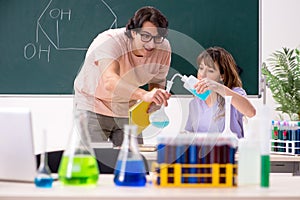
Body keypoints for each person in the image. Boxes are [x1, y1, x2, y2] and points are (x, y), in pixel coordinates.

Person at [74, 6, 171, 146]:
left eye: (157, 38)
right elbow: (109, 80)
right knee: (96, 161)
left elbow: (157, 80)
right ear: (133, 32)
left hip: (127, 108)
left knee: (134, 159)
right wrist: (144, 95)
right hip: (93, 104)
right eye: (145, 36)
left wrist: (155, 99)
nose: (151, 44)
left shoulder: (163, 48)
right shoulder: (109, 41)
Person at [185, 46, 256, 138]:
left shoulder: (234, 93)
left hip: (232, 151)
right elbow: (189, 134)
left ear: (222, 76)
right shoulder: (196, 102)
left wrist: (219, 88)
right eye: (201, 68)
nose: (202, 74)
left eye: (210, 70)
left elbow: (251, 112)